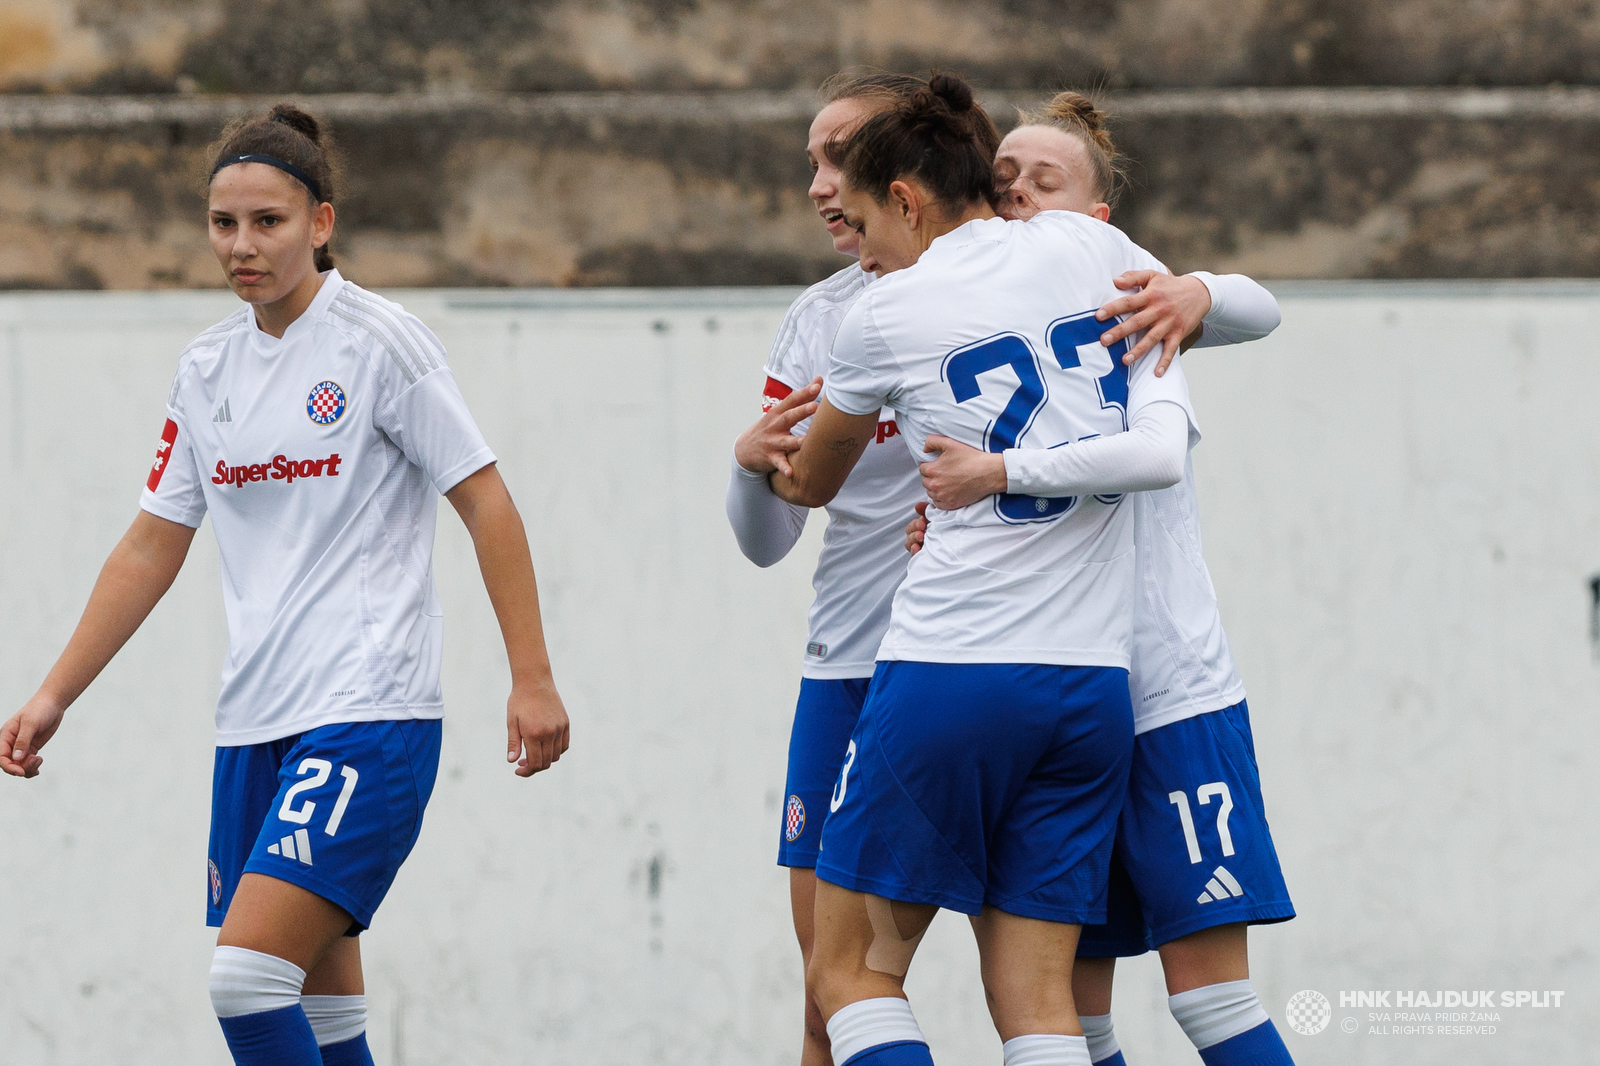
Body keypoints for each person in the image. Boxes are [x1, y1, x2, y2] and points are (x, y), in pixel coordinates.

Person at [727, 75, 1285, 1066]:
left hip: (958, 672)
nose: (852, 238)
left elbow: (805, 486)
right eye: (1006, 171)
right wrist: (1196, 289)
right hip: (1088, 692)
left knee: (845, 975)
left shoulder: (893, 310)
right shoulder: (1090, 264)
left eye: (853, 201)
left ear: (905, 195)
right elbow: (1171, 419)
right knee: (1046, 1006)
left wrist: (975, 473)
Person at [0, 104, 570, 1066]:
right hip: (253, 724)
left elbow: (487, 503)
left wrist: (532, 677)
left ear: (321, 223)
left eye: (267, 221)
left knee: (246, 981)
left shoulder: (381, 343)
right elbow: (151, 544)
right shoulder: (207, 366)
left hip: (367, 713)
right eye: (224, 223)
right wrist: (55, 694)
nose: (242, 245)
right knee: (320, 1012)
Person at [908, 93, 1296, 1066]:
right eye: (1003, 184)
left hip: (1166, 691)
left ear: (1097, 219)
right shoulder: (977, 336)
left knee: (1209, 996)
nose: (1020, 195)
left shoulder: (1125, 307)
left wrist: (1199, 288)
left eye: (1046, 180)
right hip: (1055, 697)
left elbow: (1258, 305)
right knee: (1064, 1013)